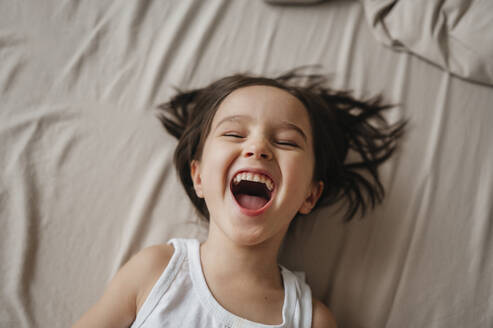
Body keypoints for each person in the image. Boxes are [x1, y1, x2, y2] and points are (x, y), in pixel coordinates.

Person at [73, 67, 406, 328]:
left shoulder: (311, 320)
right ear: (199, 176)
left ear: (310, 194)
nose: (258, 147)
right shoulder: (157, 272)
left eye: (287, 142)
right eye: (233, 134)